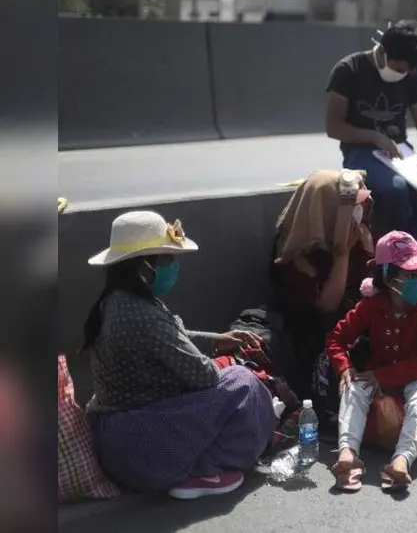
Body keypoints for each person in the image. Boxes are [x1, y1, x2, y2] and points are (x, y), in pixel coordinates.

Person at [83, 211, 275, 500]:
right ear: (144, 266)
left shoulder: (114, 302)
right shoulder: (142, 314)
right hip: (143, 446)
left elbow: (167, 338)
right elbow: (205, 375)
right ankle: (203, 470)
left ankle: (191, 467)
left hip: (117, 445)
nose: (173, 266)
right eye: (167, 259)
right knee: (243, 384)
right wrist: (226, 362)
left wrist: (218, 339)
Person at [328, 231, 417, 492]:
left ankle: (402, 461)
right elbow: (336, 339)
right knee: (353, 388)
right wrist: (344, 366)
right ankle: (347, 455)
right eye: (409, 275)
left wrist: (382, 377)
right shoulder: (370, 306)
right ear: (388, 277)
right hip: (378, 375)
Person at [324, 20, 417, 246]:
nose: (402, 74)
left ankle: (413, 262)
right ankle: (390, 261)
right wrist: (375, 137)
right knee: (395, 190)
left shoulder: (411, 75)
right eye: (398, 69)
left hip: (399, 154)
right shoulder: (349, 70)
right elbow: (333, 127)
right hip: (361, 152)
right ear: (383, 51)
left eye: (406, 71)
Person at [270, 169, 375, 399]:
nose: (358, 211)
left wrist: (365, 243)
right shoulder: (296, 254)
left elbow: (371, 281)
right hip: (318, 338)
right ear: (326, 212)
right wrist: (342, 254)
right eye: (350, 208)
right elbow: (327, 306)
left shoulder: (357, 233)